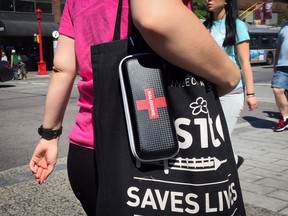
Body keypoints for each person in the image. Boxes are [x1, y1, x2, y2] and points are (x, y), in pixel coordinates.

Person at [29, 0, 241, 215]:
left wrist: (49, 136)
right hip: (154, 149)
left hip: (85, 152)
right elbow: (154, 17)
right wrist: (230, 75)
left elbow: (62, 68)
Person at [204, 0, 258, 166]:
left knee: (221, 137)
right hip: (207, 91)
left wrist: (251, 94)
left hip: (231, 91)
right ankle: (233, 161)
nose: (208, 0)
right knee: (208, 137)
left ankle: (230, 166)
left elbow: (245, 63)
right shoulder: (204, 26)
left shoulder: (237, 25)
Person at [271, 21, 288, 132]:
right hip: (282, 65)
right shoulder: (283, 27)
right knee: (277, 89)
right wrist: (275, 63)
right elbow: (278, 46)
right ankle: (285, 118)